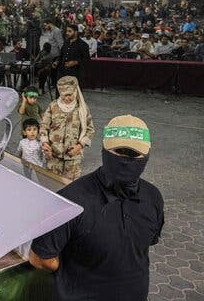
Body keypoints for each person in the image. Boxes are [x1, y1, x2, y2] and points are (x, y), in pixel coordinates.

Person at [30, 115, 164, 301]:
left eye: (133, 154)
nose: (126, 159)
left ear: (146, 156)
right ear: (104, 150)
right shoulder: (70, 201)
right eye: (119, 151)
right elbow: (40, 258)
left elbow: (140, 247)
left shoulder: (153, 197)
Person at [40, 76, 94, 181]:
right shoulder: (53, 106)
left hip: (73, 159)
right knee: (52, 185)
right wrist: (45, 143)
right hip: (53, 157)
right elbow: (43, 126)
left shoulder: (82, 108)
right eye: (63, 95)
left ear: (75, 92)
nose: (66, 98)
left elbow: (90, 130)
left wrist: (80, 146)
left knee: (70, 187)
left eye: (69, 95)